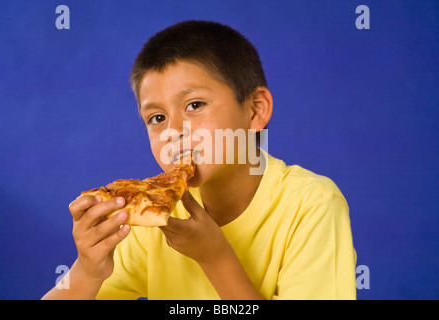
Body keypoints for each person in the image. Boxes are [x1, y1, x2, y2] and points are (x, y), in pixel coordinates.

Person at [42, 20, 356, 300]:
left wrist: (215, 258)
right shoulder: (153, 213)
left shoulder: (312, 206)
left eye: (194, 105)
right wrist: (87, 270)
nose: (173, 131)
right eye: (157, 117)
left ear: (256, 110)